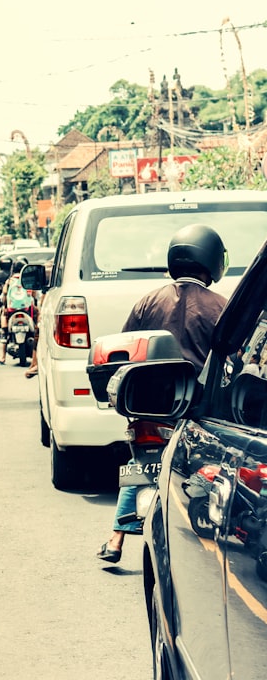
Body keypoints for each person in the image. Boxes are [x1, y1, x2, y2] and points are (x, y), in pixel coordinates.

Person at [97, 223, 228, 563]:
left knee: (140, 463)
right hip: (198, 410)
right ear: (213, 262)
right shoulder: (222, 308)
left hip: (149, 409)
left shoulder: (147, 302)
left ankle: (114, 540)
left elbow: (124, 348)